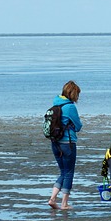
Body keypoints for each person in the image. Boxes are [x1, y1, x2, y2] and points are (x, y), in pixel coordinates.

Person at [48, 81, 83, 210]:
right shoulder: (70, 107)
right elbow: (78, 126)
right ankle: (64, 203)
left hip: (55, 142)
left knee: (63, 171)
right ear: (73, 93)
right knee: (69, 172)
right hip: (68, 143)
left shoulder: (55, 103)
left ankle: (52, 199)